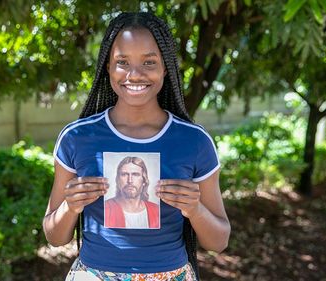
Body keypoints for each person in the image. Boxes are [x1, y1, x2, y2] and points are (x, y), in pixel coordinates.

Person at [43, 11, 230, 281]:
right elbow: (54, 237)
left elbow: (219, 241)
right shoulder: (76, 137)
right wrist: (70, 207)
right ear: (107, 66)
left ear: (165, 67)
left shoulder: (194, 141)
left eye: (149, 62)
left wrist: (195, 209)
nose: (135, 74)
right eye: (122, 62)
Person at [104, 156, 160, 229]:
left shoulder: (156, 210)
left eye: (135, 174)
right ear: (117, 180)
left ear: (144, 181)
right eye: (124, 174)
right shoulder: (105, 207)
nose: (130, 180)